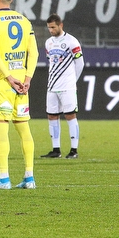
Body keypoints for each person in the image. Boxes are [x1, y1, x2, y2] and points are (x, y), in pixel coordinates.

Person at [0, 0, 38, 189]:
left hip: (3, 83)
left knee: (1, 131)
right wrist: (28, 78)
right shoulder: (24, 21)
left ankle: (4, 178)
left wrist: (7, 76)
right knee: (24, 130)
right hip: (22, 84)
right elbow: (34, 53)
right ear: (11, 0)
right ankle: (29, 178)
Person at [41, 14, 85, 159]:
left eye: (53, 27)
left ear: (61, 25)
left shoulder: (72, 42)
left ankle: (74, 150)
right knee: (52, 116)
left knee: (70, 115)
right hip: (52, 85)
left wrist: (73, 81)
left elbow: (80, 64)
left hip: (67, 86)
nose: (51, 30)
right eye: (49, 28)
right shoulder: (48, 43)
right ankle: (56, 149)